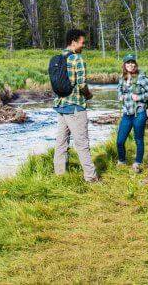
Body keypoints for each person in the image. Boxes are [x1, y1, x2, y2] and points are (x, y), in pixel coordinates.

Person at [53, 29, 99, 182]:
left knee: (61, 143)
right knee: (82, 143)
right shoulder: (76, 59)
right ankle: (91, 177)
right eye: (82, 42)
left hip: (61, 105)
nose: (83, 45)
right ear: (74, 42)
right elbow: (82, 84)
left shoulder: (59, 57)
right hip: (75, 106)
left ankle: (60, 175)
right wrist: (89, 95)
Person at [115, 54, 148, 173]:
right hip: (127, 114)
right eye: (128, 63)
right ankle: (122, 161)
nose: (131, 65)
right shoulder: (122, 77)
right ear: (124, 65)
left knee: (138, 139)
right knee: (120, 141)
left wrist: (139, 97)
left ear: (135, 64)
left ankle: (137, 163)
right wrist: (120, 96)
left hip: (139, 113)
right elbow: (118, 89)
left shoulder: (141, 78)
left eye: (133, 63)